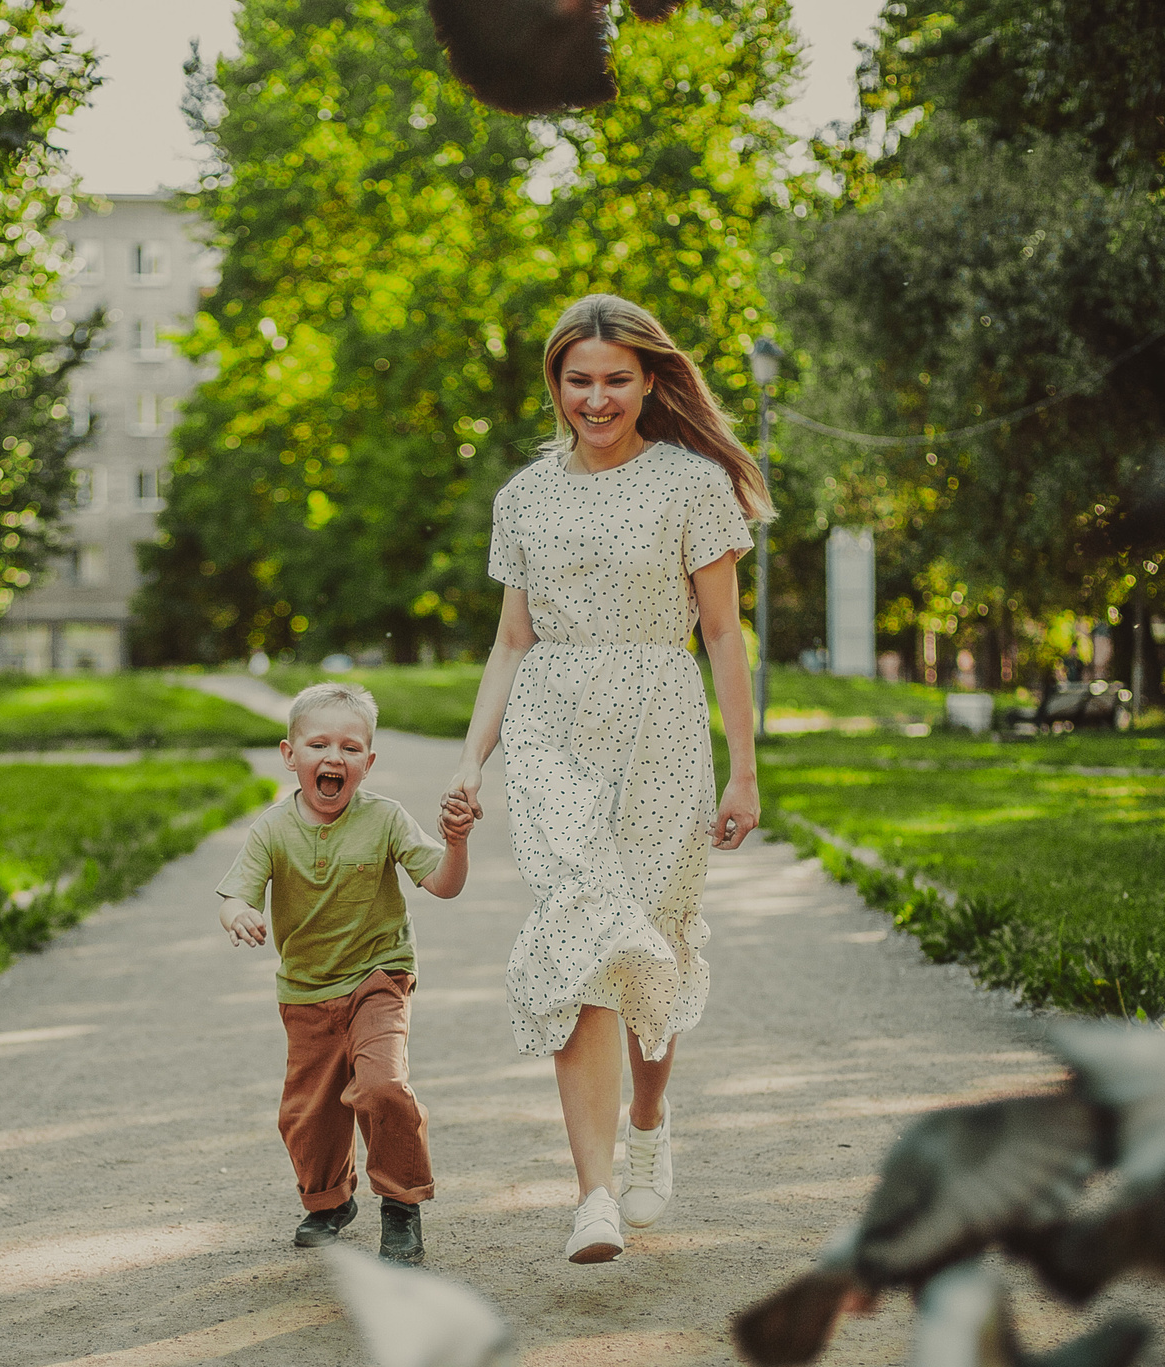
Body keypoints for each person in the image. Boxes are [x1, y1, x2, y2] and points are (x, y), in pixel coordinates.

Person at [444, 293, 767, 1264]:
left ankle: (650, 1123)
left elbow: (721, 634)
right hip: (553, 725)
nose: (596, 398)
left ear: (650, 380)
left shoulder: (691, 484)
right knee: (579, 933)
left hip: (660, 720)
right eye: (577, 380)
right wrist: (472, 753)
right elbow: (510, 642)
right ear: (554, 384)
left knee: (650, 949)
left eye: (615, 379)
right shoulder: (523, 498)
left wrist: (743, 771)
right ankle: (591, 1196)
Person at [217, 681, 474, 1263]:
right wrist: (240, 914)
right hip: (306, 991)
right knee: (309, 1115)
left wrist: (456, 844)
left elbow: (443, 885)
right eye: (318, 745)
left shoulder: (385, 819)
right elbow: (236, 894)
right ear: (290, 756)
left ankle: (401, 1204)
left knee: (382, 1086)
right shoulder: (272, 829)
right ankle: (330, 1200)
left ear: (369, 761)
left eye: (351, 748)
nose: (334, 758)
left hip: (378, 977)